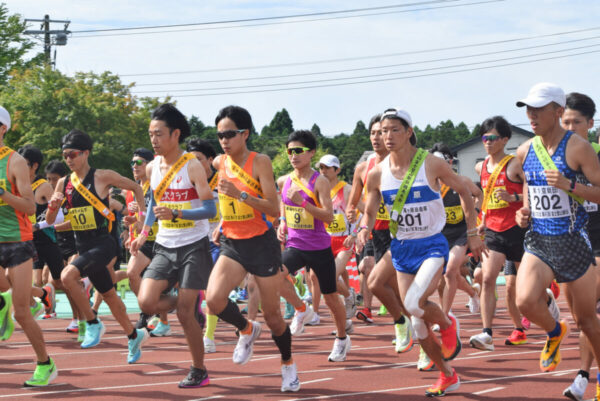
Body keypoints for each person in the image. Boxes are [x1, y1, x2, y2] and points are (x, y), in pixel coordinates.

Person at [357, 108, 485, 397]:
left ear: (409, 132)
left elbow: (465, 190)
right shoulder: (376, 172)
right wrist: (363, 229)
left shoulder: (430, 164)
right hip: (401, 247)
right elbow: (370, 207)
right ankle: (448, 375)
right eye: (382, 131)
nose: (387, 136)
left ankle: (448, 322)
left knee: (414, 303)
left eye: (394, 130)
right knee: (416, 320)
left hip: (431, 245)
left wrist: (473, 232)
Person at [205, 105, 299, 392]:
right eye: (220, 135)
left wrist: (242, 194)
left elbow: (273, 206)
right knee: (213, 300)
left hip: (261, 243)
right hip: (233, 243)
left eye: (230, 134)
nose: (224, 140)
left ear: (244, 134)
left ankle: (288, 364)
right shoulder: (220, 163)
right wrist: (221, 221)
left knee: (272, 315)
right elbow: (222, 198)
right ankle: (246, 328)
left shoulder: (260, 163)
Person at [514, 83, 600, 381]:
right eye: (529, 109)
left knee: (587, 321)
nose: (532, 115)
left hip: (574, 242)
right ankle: (554, 331)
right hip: (539, 242)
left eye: (539, 109)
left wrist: (571, 186)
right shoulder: (526, 149)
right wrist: (524, 210)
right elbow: (529, 184)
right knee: (524, 301)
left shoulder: (578, 147)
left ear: (558, 111)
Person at [46, 129, 149, 364]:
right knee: (110, 296)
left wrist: (141, 220)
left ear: (86, 153)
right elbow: (53, 222)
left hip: (104, 243)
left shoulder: (102, 176)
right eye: (65, 155)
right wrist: (53, 207)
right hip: (83, 245)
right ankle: (134, 336)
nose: (69, 159)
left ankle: (92, 322)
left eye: (73, 154)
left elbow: (137, 188)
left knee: (68, 276)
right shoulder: (63, 183)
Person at [131, 104, 215, 388]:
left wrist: (180, 213)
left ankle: (198, 369)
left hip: (193, 244)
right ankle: (192, 304)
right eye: (150, 134)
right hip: (165, 245)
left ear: (175, 134)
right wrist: (144, 232)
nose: (153, 140)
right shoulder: (153, 166)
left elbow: (210, 208)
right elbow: (155, 201)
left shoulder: (192, 165)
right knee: (146, 301)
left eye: (158, 134)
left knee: (183, 314)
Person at [277, 132, 351, 362]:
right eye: (290, 151)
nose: (293, 156)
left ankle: (341, 338)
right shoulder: (284, 180)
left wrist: (304, 203)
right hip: (295, 246)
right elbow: (283, 203)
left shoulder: (319, 181)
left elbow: (328, 217)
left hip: (319, 248)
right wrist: (282, 222)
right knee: (272, 275)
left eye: (298, 151)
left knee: (330, 297)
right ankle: (302, 309)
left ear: (311, 153)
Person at [346, 114, 414, 357]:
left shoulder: (406, 165)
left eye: (382, 132)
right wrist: (358, 220)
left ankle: (408, 323)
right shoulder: (364, 169)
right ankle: (410, 323)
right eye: (374, 133)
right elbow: (353, 203)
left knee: (383, 283)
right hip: (378, 233)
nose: (378, 138)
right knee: (392, 287)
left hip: (405, 233)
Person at [0, 106, 57, 386]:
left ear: (2, 129)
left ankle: (45, 364)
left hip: (16, 242)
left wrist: (2, 193)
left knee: (21, 312)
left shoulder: (15, 162)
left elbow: (30, 206)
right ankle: (6, 303)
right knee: (6, 296)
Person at [469, 116, 532, 350]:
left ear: (505, 139)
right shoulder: (481, 166)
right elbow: (486, 195)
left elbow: (532, 187)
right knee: (486, 279)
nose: (487, 141)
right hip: (494, 231)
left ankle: (528, 320)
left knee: (521, 286)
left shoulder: (514, 164)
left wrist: (515, 199)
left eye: (492, 138)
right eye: (484, 137)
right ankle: (487, 333)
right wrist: (483, 218)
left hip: (517, 229)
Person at [560, 92, 600, 401]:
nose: (570, 127)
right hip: (571, 247)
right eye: (565, 122)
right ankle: (585, 375)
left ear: (590, 123)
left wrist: (573, 186)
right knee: (580, 319)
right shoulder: (553, 157)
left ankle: (585, 377)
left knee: (593, 313)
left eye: (576, 122)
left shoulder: (595, 154)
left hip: (598, 244)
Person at [429, 143, 482, 317]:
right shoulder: (428, 186)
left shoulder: (462, 181)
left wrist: (475, 212)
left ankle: (445, 315)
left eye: (441, 163)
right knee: (444, 278)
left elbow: (479, 194)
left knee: (451, 270)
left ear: (449, 163)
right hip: (440, 234)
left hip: (461, 232)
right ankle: (473, 292)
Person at [185, 137, 221, 353]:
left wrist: (223, 225)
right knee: (192, 290)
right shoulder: (188, 182)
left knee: (211, 289)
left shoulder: (222, 181)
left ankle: (208, 336)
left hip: (218, 242)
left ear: (210, 160)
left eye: (198, 159)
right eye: (190, 160)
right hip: (193, 240)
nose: (194, 164)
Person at [315, 154, 357, 325]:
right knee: (319, 277)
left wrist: (354, 233)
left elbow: (365, 210)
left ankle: (347, 298)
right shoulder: (318, 189)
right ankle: (346, 302)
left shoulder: (346, 189)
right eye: (321, 168)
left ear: (337, 170)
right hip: (324, 240)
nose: (323, 171)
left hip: (344, 241)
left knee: (330, 277)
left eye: (327, 168)